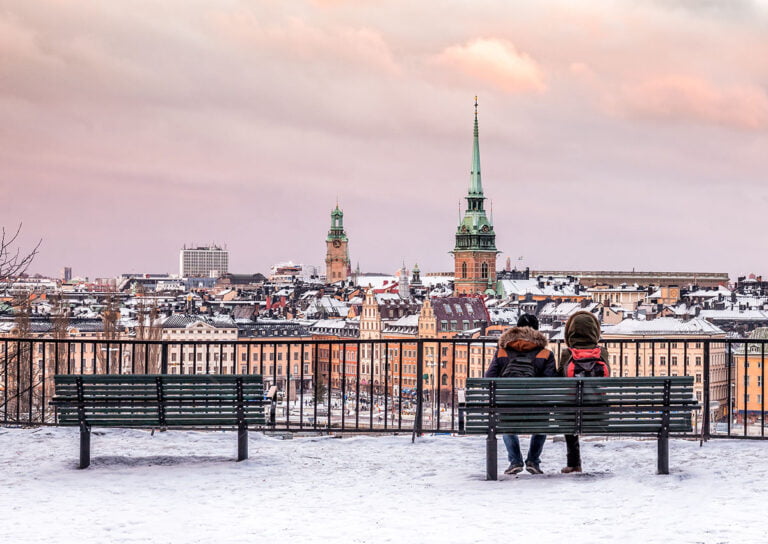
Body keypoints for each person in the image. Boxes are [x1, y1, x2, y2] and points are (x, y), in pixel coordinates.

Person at [484, 314, 557, 475]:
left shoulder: (502, 351)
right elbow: (550, 382)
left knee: (504, 421)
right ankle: (533, 461)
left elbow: (489, 378)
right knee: (542, 423)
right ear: (537, 331)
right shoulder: (545, 354)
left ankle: (515, 461)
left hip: (508, 406)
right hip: (536, 408)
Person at [557, 310, 611, 474]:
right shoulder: (602, 353)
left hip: (572, 411)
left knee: (568, 416)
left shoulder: (568, 353)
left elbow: (560, 379)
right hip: (599, 411)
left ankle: (574, 463)